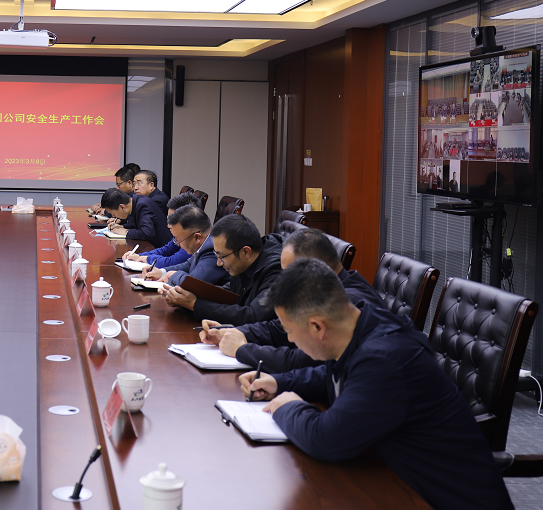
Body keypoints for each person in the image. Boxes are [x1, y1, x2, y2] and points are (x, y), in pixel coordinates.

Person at [240, 259, 513, 510]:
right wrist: (280, 382)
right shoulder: (361, 326)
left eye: (289, 331)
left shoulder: (384, 359)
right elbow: (334, 377)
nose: (289, 340)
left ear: (317, 328)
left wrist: (286, 407)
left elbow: (325, 439)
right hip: (395, 481)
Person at [201, 228, 386, 373]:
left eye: (290, 273)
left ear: (316, 267)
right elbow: (280, 329)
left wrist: (242, 349)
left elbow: (304, 359)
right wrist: (231, 332)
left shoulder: (348, 303)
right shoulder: (320, 290)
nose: (285, 280)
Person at [159, 214, 282, 325]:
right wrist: (182, 300)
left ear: (245, 252)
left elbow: (253, 316)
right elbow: (225, 296)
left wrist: (193, 304)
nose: (218, 263)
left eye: (222, 256)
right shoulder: (243, 263)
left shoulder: (277, 270)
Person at [141, 204, 227, 286]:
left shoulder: (213, 249)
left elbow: (193, 283)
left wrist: (173, 275)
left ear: (197, 237)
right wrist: (162, 272)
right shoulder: (205, 243)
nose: (178, 244)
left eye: (178, 240)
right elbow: (187, 265)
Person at [121, 192, 199, 269]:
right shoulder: (182, 234)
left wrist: (147, 259)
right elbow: (166, 250)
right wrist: (139, 256)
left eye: (172, 220)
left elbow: (172, 262)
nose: (168, 225)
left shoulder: (194, 238)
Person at [100, 187, 172, 248]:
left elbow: (147, 233)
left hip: (162, 249)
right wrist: (121, 227)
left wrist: (126, 232)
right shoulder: (135, 202)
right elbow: (137, 225)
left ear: (122, 207)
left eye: (113, 213)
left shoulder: (143, 206)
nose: (113, 216)